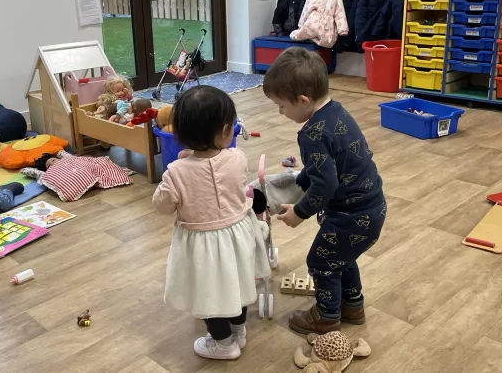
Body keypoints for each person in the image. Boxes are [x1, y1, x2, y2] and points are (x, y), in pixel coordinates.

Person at [263, 47, 386, 335]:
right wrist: (301, 181)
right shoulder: (337, 111)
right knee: (341, 257)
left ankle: (327, 316)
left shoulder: (311, 134)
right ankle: (352, 305)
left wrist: (300, 212)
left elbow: (326, 184)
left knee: (320, 262)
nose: (280, 112)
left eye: (281, 105)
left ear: (302, 100)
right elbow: (329, 166)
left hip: (349, 215)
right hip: (372, 207)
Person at [152, 86, 270, 361]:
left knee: (209, 293)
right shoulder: (237, 159)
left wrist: (176, 174)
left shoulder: (176, 173)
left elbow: (162, 205)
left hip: (202, 244)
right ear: (225, 131)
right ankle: (239, 331)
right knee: (236, 283)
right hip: (238, 234)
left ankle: (223, 344)